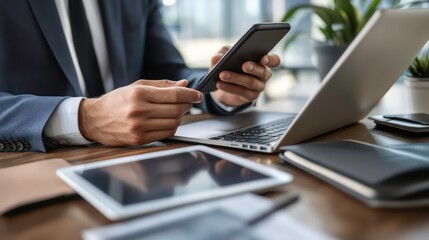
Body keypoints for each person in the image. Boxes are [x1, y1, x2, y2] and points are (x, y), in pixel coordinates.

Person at [0, 0, 280, 152]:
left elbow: (167, 70)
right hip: (35, 170)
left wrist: (219, 90)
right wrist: (87, 118)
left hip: (135, 159)